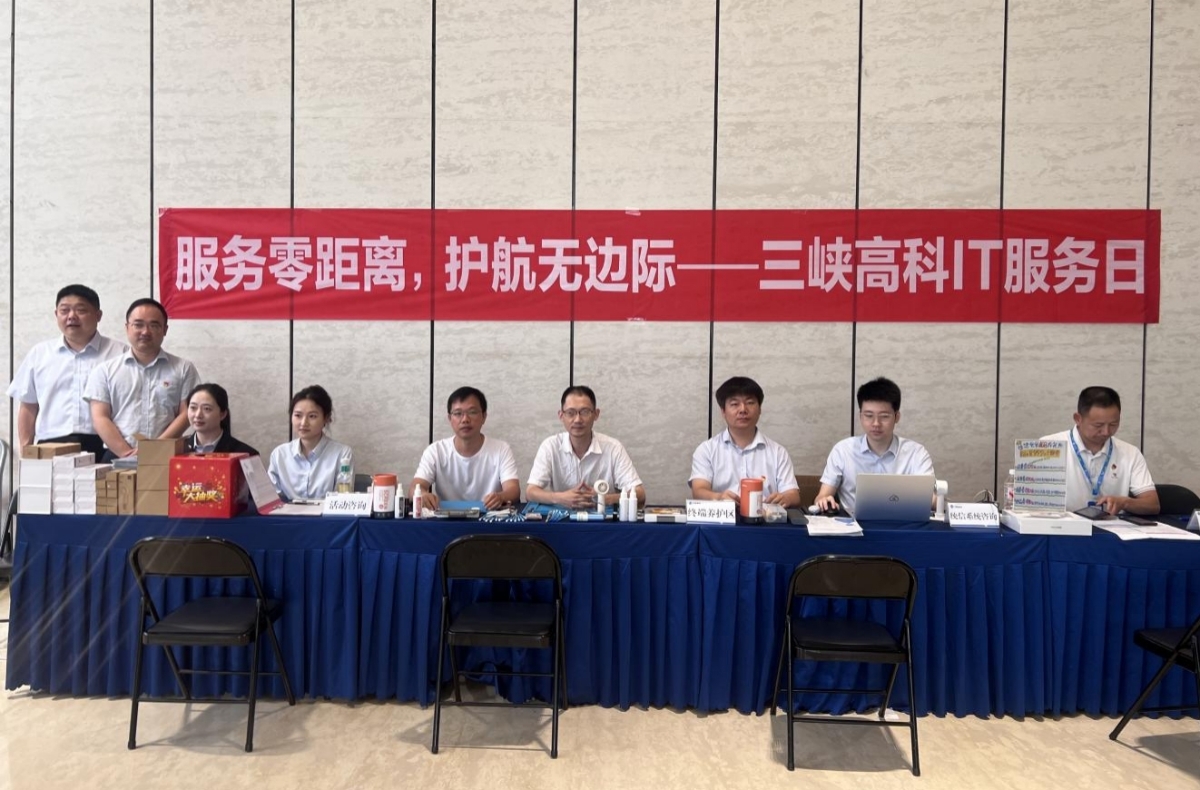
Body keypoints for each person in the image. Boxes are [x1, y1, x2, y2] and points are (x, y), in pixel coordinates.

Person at [6, 284, 125, 457]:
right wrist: (26, 451)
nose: (71, 316)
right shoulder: (39, 354)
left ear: (98, 315)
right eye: (64, 310)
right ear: (56, 314)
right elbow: (28, 406)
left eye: (81, 310)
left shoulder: (120, 354)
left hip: (106, 445)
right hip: (50, 444)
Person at [84, 297, 199, 459]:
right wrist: (126, 454)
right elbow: (100, 417)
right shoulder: (104, 371)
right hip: (117, 456)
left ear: (165, 330)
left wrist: (155, 449)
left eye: (154, 325)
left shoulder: (184, 368)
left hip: (166, 455)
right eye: (138, 325)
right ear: (127, 328)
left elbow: (187, 413)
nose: (145, 332)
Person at [813, 377, 935, 516]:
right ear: (860, 416)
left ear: (897, 417)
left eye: (884, 416)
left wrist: (939, 502)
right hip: (854, 525)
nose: (876, 423)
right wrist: (823, 500)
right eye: (869, 415)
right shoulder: (842, 450)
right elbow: (822, 496)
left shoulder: (916, 453)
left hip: (904, 523)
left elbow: (930, 499)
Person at [1042, 386, 1159, 515]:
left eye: (1113, 424)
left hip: (1112, 526)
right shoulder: (1047, 447)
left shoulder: (1130, 453)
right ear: (1078, 419)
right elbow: (1030, 502)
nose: (1106, 432)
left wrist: (1125, 502)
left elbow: (1152, 504)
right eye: (1098, 425)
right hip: (1062, 525)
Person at [527, 385, 645, 509]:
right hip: (563, 518)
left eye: (584, 412)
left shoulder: (613, 448)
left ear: (596, 414)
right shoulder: (550, 446)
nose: (578, 419)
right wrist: (561, 498)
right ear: (561, 416)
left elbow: (639, 493)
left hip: (603, 518)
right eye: (571, 413)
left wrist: (605, 499)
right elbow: (530, 492)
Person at [689, 376, 800, 507]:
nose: (743, 409)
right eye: (734, 404)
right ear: (723, 411)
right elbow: (699, 490)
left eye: (750, 402)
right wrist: (719, 497)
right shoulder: (706, 450)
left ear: (760, 409)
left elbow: (793, 495)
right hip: (724, 517)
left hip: (764, 517)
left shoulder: (778, 452)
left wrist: (785, 498)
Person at [411, 386, 520, 511]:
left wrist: (501, 497)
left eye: (472, 412)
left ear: (484, 417)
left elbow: (513, 490)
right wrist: (422, 494)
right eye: (458, 414)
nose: (465, 420)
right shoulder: (435, 451)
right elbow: (414, 487)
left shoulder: (501, 449)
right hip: (447, 518)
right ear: (450, 418)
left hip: (488, 517)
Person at [268, 385, 352, 501]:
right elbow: (271, 500)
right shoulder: (279, 454)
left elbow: (342, 499)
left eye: (312, 416)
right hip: (287, 512)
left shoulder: (342, 454)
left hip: (326, 513)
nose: (303, 423)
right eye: (298, 415)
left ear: (326, 418)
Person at [183, 383, 259, 456]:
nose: (198, 415)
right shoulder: (179, 449)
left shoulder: (247, 454)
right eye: (193, 407)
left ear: (222, 414)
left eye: (207, 409)